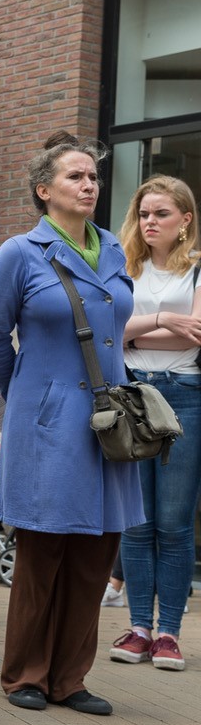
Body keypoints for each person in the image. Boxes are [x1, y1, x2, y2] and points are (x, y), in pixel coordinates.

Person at [0, 131, 141, 716]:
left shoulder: (116, 251)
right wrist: (32, 388)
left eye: (92, 177)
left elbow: (115, 332)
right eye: (75, 176)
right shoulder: (19, 253)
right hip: (47, 419)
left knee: (97, 551)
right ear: (44, 190)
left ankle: (70, 678)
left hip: (109, 422)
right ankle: (25, 672)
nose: (88, 184)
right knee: (43, 550)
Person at [109, 175, 201, 671]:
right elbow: (109, 334)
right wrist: (168, 320)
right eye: (144, 214)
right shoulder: (124, 268)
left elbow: (196, 339)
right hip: (132, 396)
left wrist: (139, 332)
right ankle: (139, 626)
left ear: (185, 220)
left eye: (161, 214)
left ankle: (169, 633)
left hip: (184, 397)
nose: (149, 223)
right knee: (137, 522)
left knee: (174, 522)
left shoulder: (199, 272)